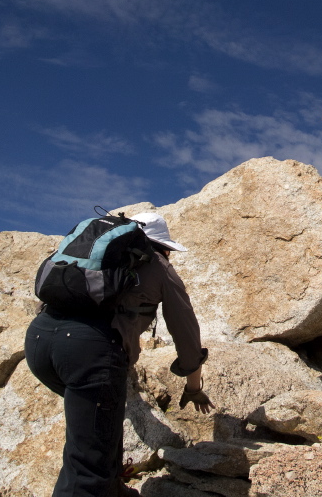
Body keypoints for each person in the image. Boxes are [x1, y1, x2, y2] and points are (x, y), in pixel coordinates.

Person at [24, 211, 214, 497]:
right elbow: (186, 333)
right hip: (88, 352)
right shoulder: (159, 265)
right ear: (161, 245)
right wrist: (193, 386)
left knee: (93, 437)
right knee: (88, 470)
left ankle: (113, 486)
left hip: (39, 341)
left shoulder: (91, 254)